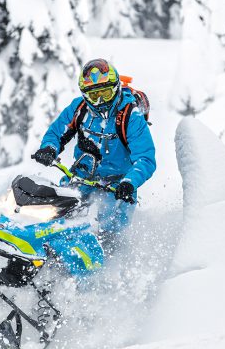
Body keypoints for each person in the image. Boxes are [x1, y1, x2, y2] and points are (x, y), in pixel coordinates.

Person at [31, 58, 156, 243]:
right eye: (94, 95)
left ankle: (111, 258)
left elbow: (145, 158)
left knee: (110, 231)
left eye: (105, 93)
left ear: (116, 88)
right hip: (80, 177)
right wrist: (49, 148)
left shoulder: (131, 116)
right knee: (55, 214)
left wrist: (130, 182)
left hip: (117, 187)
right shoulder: (79, 108)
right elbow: (57, 132)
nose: (100, 101)